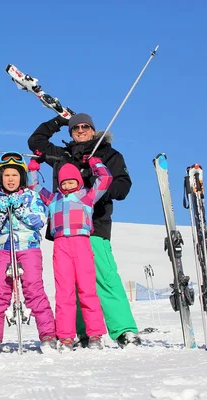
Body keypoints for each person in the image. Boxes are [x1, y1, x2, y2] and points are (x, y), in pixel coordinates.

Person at [28, 113, 140, 348]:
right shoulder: (62, 156)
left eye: (85, 126)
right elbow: (35, 143)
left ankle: (124, 330)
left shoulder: (108, 153)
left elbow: (122, 186)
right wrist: (59, 120)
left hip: (95, 225)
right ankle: (81, 331)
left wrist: (91, 194)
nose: (80, 130)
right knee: (70, 284)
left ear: (93, 129)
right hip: (65, 232)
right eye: (75, 127)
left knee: (104, 278)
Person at [27, 157, 111, 351]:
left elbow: (105, 178)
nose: (67, 184)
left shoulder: (87, 197)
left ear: (79, 181)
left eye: (71, 181)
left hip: (81, 243)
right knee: (64, 292)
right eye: (63, 182)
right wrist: (33, 167)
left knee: (87, 290)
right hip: (61, 245)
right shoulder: (53, 198)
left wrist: (95, 163)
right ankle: (65, 336)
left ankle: (95, 334)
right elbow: (34, 186)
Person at [0, 152, 57, 354]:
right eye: (6, 175)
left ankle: (48, 335)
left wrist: (20, 209)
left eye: (14, 175)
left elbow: (40, 220)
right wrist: (0, 211)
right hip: (4, 250)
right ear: (1, 178)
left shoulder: (31, 196)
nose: (10, 179)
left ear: (21, 177)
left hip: (28, 249)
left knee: (34, 290)